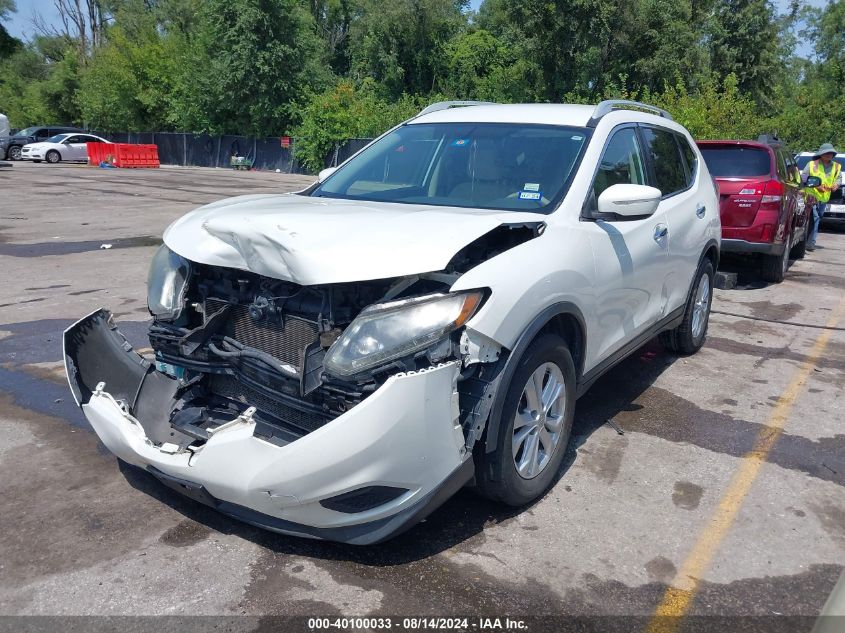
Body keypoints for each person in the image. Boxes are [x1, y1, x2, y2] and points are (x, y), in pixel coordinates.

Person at [802, 143, 842, 251]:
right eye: (827, 153)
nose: (829, 154)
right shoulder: (811, 164)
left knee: (817, 218)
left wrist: (836, 185)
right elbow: (804, 178)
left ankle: (807, 241)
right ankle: (810, 244)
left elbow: (838, 178)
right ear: (821, 154)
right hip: (812, 196)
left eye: (831, 153)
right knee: (814, 218)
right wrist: (816, 186)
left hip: (824, 198)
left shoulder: (837, 166)